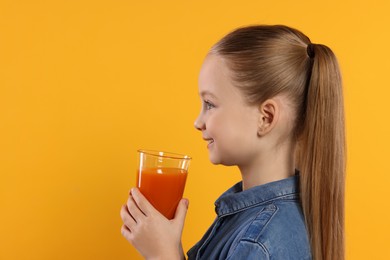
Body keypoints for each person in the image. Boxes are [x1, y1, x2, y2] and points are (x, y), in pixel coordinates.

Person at [120, 24, 346, 260]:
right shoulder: (254, 221)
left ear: (265, 118)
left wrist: (162, 256)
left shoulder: (259, 241)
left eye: (210, 104)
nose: (198, 122)